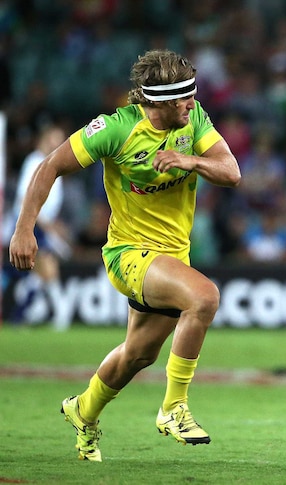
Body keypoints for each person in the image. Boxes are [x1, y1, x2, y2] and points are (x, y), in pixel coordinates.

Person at [9, 49, 241, 462]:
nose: (192, 103)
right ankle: (174, 408)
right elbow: (49, 167)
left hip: (173, 256)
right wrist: (24, 229)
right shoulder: (114, 129)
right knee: (204, 297)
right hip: (129, 254)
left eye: (193, 96)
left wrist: (187, 159)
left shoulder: (195, 119)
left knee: (138, 354)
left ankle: (83, 409)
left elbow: (231, 172)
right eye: (184, 98)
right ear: (160, 103)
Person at [8, 123, 70, 328]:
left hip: (44, 225)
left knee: (44, 272)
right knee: (46, 269)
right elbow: (24, 200)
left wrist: (55, 225)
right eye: (55, 138)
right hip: (32, 225)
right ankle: (51, 313)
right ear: (44, 138)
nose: (59, 144)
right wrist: (46, 226)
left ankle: (30, 313)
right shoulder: (35, 162)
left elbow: (50, 205)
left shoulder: (55, 165)